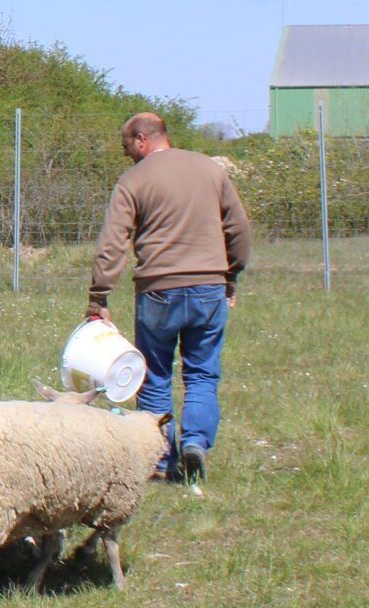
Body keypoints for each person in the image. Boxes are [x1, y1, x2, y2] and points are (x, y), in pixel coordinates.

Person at [87, 111, 249, 482]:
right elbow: (238, 228)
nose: (125, 153)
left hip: (158, 291)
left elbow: (112, 245)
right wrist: (231, 275)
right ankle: (195, 442)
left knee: (155, 375)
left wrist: (98, 298)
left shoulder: (132, 181)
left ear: (142, 139)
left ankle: (161, 461)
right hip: (209, 287)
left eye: (126, 145)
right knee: (202, 373)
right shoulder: (209, 169)